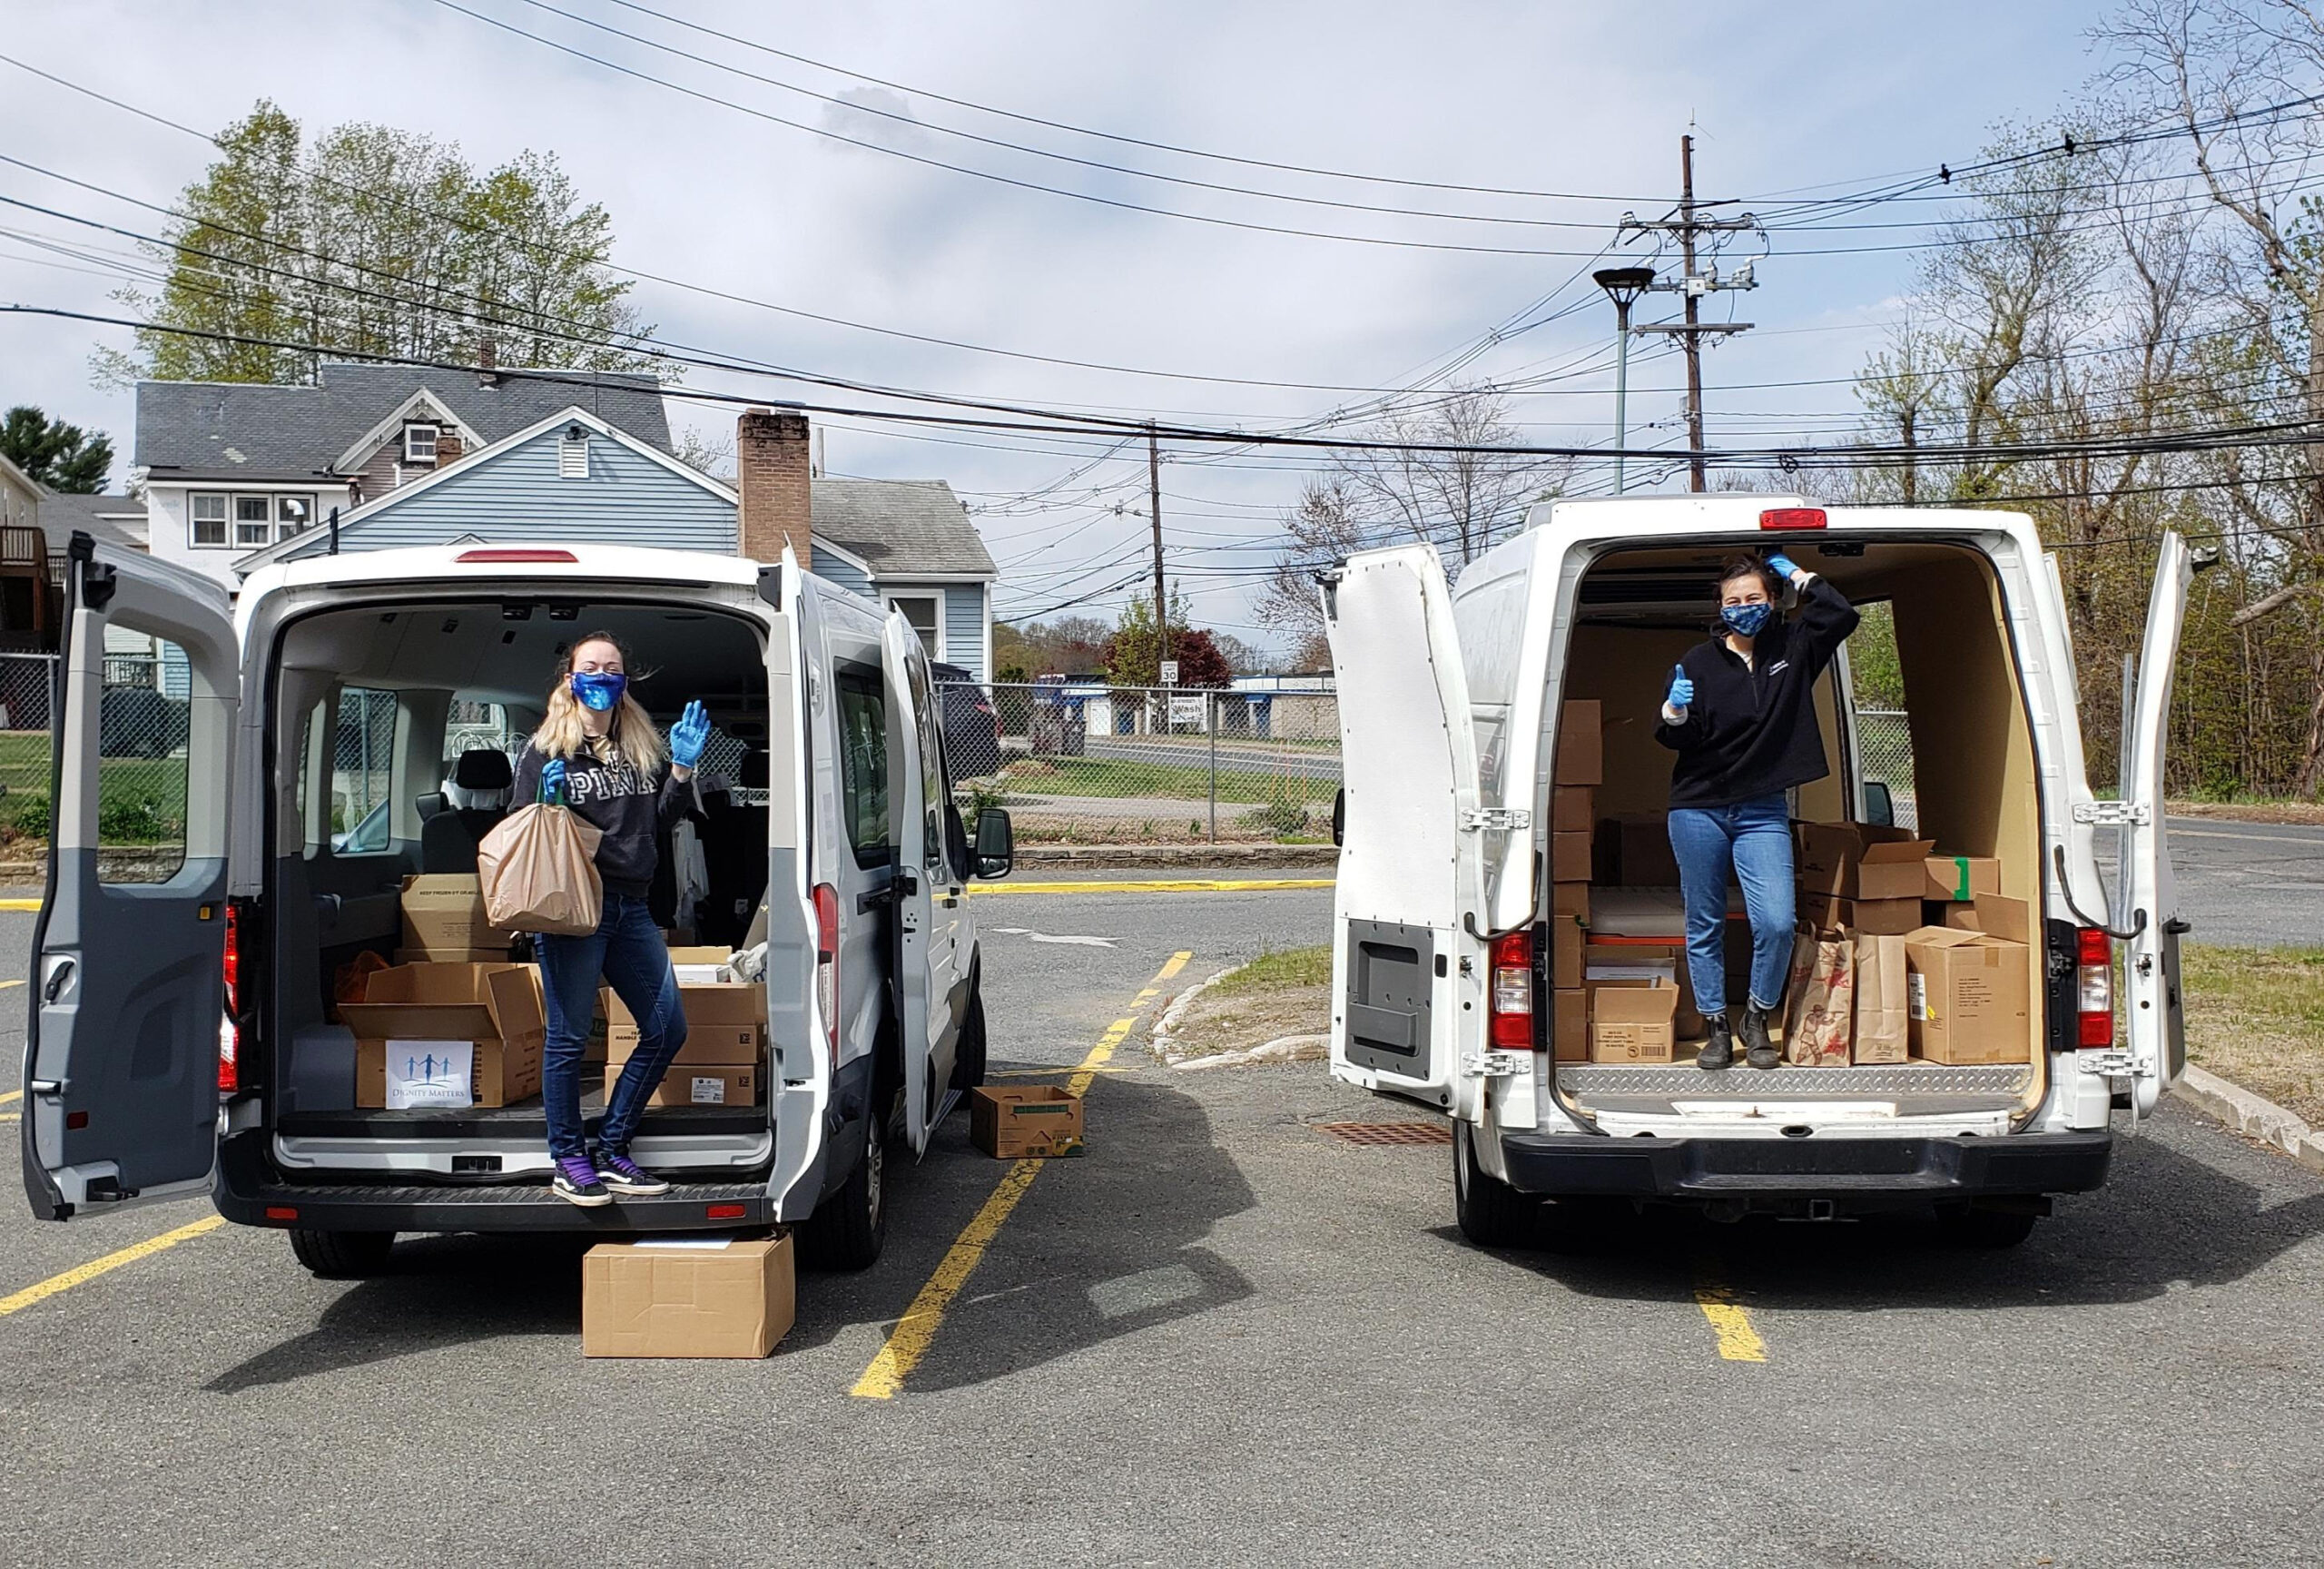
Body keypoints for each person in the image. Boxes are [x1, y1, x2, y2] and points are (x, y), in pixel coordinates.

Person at [510, 632, 713, 1205]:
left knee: (666, 1028)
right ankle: (568, 1158)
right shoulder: (546, 750)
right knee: (569, 1038)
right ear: (569, 678)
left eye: (613, 667)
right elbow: (523, 829)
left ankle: (613, 1144)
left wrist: (681, 771)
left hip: (631, 907)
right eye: (591, 667)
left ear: (626, 680)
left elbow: (661, 821)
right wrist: (546, 801)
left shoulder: (639, 746)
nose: (602, 675)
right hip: (574, 908)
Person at [1655, 552, 1859, 1071]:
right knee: (1704, 921)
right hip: (1698, 806)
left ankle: (1756, 1017)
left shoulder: (1794, 647)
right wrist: (1674, 711)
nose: (1743, 608)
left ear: (1773, 601)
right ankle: (1716, 1028)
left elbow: (1840, 615)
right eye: (1733, 601)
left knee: (1776, 921)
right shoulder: (1697, 661)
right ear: (1720, 608)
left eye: (1753, 598)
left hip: (1762, 808)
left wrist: (1800, 577)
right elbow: (1679, 737)